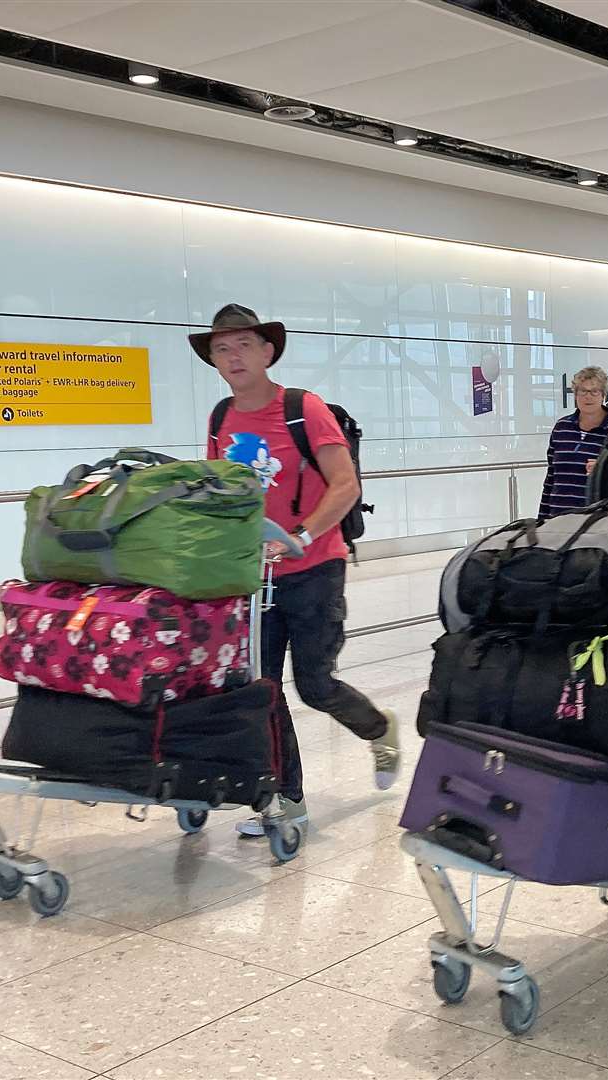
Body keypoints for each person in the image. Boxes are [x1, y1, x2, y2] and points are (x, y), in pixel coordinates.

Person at [194, 303, 399, 835]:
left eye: (243, 345)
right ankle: (286, 802)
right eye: (222, 348)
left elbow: (345, 484)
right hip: (253, 578)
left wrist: (300, 537)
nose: (233, 356)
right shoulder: (221, 417)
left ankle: (378, 729)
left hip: (315, 570)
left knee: (314, 685)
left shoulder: (302, 409)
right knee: (261, 688)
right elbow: (223, 494)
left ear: (267, 351)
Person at [538, 367, 608, 520]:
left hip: (596, 521)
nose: (588, 397)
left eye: (594, 391)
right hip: (557, 518)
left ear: (603, 395)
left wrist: (604, 468)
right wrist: (541, 520)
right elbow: (551, 478)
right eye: (583, 391)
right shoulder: (561, 427)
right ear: (575, 395)